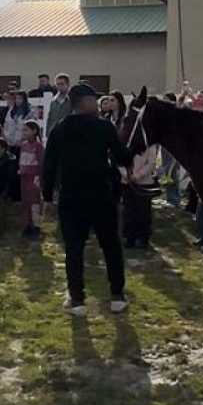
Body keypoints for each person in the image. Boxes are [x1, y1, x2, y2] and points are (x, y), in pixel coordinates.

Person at [42, 83, 134, 317]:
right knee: (111, 245)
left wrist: (47, 197)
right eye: (93, 99)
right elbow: (122, 156)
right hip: (101, 194)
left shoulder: (59, 129)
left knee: (74, 248)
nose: (97, 103)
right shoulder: (104, 127)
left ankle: (77, 300)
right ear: (82, 102)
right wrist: (132, 146)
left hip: (71, 196)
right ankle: (117, 296)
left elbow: (49, 166)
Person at [18, 121, 44, 239]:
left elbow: (41, 163)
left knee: (34, 202)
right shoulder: (23, 145)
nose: (24, 132)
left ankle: (36, 226)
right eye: (23, 130)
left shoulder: (38, 146)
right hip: (24, 177)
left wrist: (38, 176)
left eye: (26, 130)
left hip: (33, 177)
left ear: (34, 131)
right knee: (25, 202)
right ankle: (27, 225)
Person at [45, 73, 72, 138]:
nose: (59, 86)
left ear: (68, 85)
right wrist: (47, 132)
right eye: (58, 84)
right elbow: (50, 118)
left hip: (68, 133)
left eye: (62, 84)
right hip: (54, 133)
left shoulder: (72, 100)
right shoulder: (53, 101)